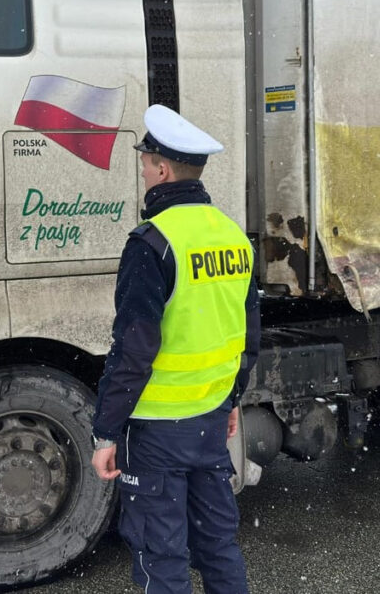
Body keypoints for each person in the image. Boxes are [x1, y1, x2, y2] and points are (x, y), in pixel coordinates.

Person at [91, 104, 260, 594]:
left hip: (157, 431)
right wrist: (231, 400)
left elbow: (134, 350)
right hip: (209, 421)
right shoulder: (233, 236)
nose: (143, 171)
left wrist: (106, 432)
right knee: (218, 545)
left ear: (162, 170)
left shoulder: (152, 242)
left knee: (160, 553)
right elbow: (248, 337)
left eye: (145, 163)